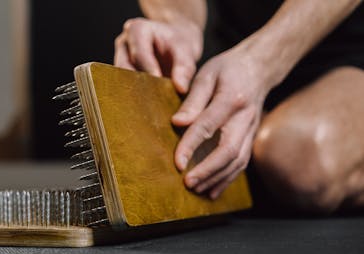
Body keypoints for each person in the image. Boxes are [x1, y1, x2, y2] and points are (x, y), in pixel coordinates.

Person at [114, 0, 364, 214]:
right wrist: (177, 23)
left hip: (351, 56)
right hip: (238, 52)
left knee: (297, 156)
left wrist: (260, 62)